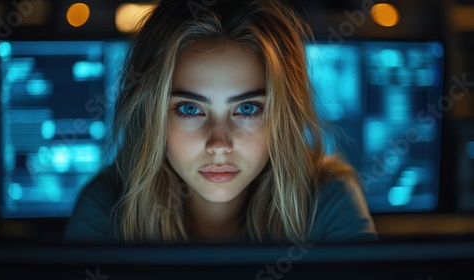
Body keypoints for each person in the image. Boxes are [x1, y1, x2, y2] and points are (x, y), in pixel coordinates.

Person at [64, 0, 377, 244]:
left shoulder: (327, 200)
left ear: (283, 116)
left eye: (247, 109)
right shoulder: (107, 207)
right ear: (151, 116)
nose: (219, 144)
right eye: (189, 109)